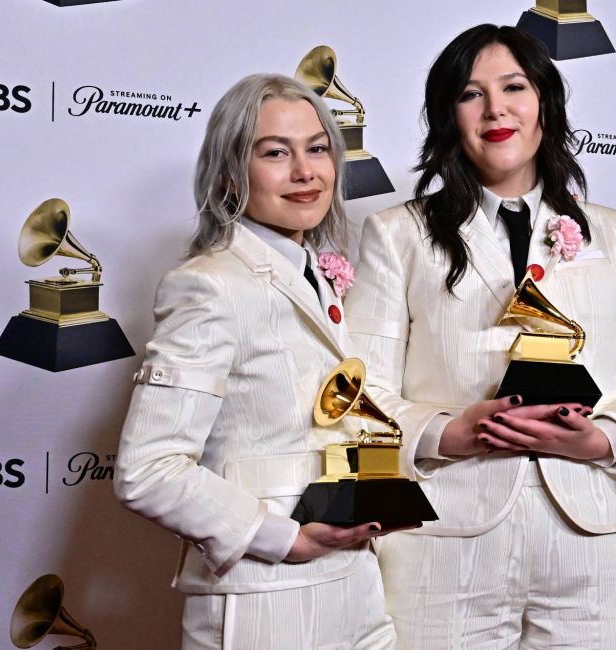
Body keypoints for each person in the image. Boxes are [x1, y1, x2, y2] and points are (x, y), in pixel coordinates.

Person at [343, 24, 616, 648]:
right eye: (471, 94)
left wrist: (606, 439)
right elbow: (357, 391)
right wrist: (445, 433)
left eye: (514, 87)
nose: (496, 108)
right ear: (449, 116)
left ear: (545, 106)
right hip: (445, 538)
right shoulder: (396, 235)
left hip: (594, 540)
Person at [113, 73, 403, 649]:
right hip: (264, 597)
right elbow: (147, 469)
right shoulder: (209, 285)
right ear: (228, 175)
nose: (306, 171)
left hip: (357, 585)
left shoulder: (316, 271)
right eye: (276, 153)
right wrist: (281, 539)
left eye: (318, 148)